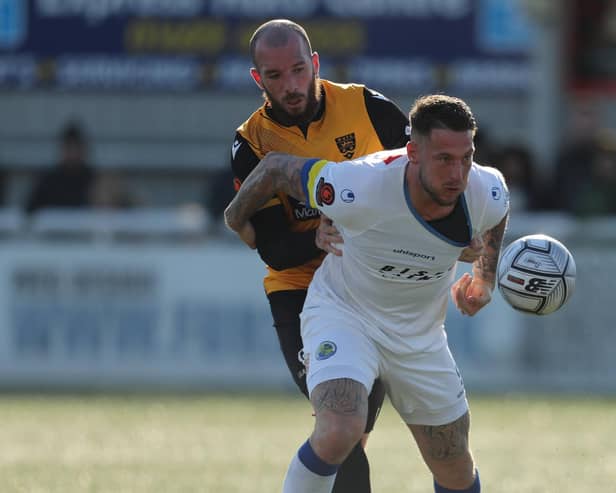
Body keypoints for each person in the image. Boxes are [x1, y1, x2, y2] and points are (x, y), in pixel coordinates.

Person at [225, 94, 510, 493]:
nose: (457, 173)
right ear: (412, 151)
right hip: (346, 315)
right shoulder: (357, 185)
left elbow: (497, 215)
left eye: (466, 158)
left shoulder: (486, 190)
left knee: (454, 465)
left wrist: (484, 278)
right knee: (340, 428)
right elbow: (274, 168)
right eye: (444, 159)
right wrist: (235, 217)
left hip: (419, 337)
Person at [229, 19, 410, 492]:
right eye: (274, 76)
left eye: (296, 70)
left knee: (353, 432)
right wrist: (316, 239)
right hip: (300, 293)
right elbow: (272, 248)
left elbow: (422, 177)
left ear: (314, 64)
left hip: (369, 286)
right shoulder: (251, 143)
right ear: (257, 79)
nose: (290, 86)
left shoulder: (367, 107)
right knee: (341, 423)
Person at [25, 121, 96, 214]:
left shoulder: (94, 181)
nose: (73, 154)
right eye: (69, 148)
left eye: (76, 148)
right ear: (62, 149)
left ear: (84, 150)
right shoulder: (48, 181)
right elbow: (30, 208)